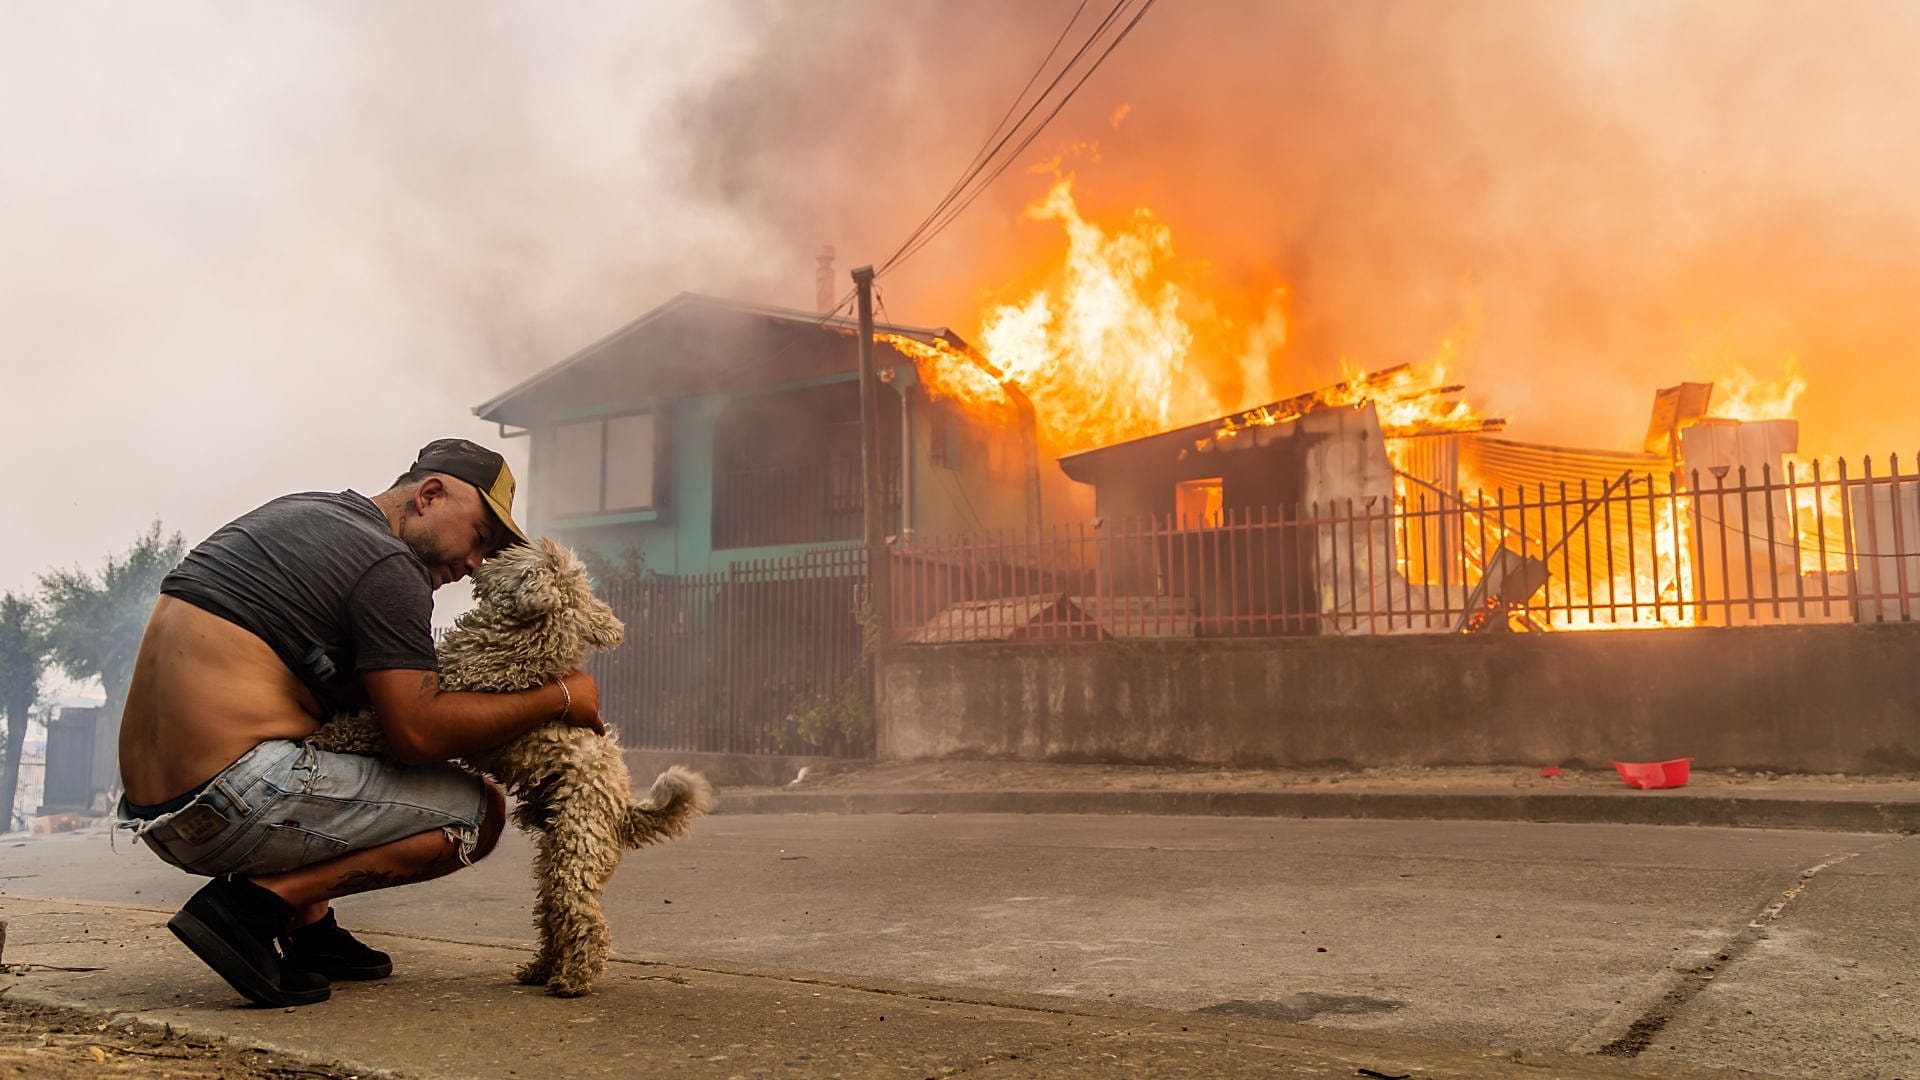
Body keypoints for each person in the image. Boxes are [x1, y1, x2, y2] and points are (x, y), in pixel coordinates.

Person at [116, 438, 605, 1007]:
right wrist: (561, 697)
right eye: (479, 538)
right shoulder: (389, 565)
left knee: (336, 725)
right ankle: (251, 910)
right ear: (429, 495)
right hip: (233, 798)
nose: (476, 564)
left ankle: (311, 931)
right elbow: (417, 734)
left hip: (158, 815)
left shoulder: (305, 513)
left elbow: (343, 701)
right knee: (478, 814)